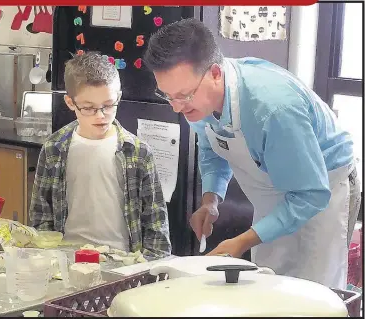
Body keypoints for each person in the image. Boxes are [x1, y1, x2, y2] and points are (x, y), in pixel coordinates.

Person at [143, 18, 361, 289]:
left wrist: (243, 241)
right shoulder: (195, 102)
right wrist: (210, 200)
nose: (176, 107)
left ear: (215, 73)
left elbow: (311, 194)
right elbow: (212, 144)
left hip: (323, 187)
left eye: (183, 95)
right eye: (167, 96)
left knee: (315, 290)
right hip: (272, 191)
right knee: (270, 281)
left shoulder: (273, 109)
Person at [29, 52, 171, 258]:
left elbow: (156, 224)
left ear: (119, 97)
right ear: (70, 103)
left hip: (123, 261)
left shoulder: (138, 152)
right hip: (67, 260)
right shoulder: (54, 149)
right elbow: (41, 217)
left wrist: (151, 269)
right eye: (88, 108)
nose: (100, 115)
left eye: (108, 105)